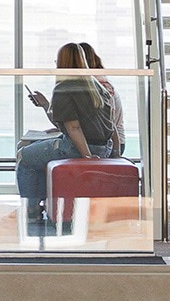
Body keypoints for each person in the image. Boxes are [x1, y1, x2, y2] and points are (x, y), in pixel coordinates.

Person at [17, 43, 118, 228]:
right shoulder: (98, 86)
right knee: (36, 150)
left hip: (79, 148)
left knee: (24, 156)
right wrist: (115, 153)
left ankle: (31, 211)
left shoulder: (64, 87)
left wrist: (87, 157)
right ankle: (42, 205)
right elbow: (110, 125)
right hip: (105, 147)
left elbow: (73, 127)